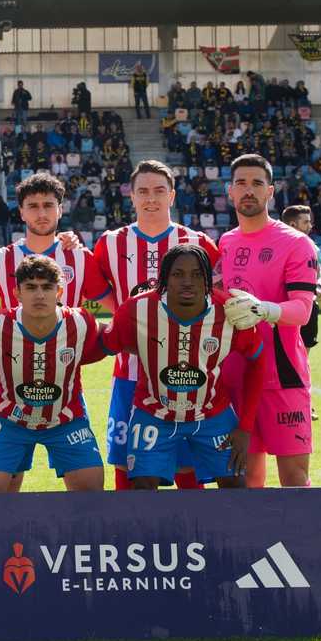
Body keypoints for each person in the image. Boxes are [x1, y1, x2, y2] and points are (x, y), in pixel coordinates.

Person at [93, 159, 219, 490]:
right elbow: (98, 291)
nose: (151, 199)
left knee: (186, 465)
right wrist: (129, 317)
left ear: (172, 196)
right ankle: (127, 535)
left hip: (187, 373)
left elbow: (213, 301)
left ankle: (193, 537)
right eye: (144, 191)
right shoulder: (109, 242)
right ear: (131, 196)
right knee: (125, 461)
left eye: (159, 191)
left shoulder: (197, 242)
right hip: (130, 373)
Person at [104, 245, 266, 488]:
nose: (188, 282)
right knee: (141, 487)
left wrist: (245, 427)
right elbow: (107, 343)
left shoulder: (231, 312)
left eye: (197, 274)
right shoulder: (136, 309)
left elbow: (258, 360)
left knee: (236, 485)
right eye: (178, 274)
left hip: (212, 413)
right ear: (165, 279)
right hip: (153, 413)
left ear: (208, 279)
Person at [0, 255, 105, 493]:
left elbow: (115, 337)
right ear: (17, 293)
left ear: (59, 292)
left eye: (47, 287)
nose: (39, 295)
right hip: (9, 420)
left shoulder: (80, 322)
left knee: (91, 492)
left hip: (65, 420)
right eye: (31, 287)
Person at [219, 153, 320, 488]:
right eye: (241, 183)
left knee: (294, 478)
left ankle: (301, 543)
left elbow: (302, 310)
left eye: (257, 183)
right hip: (237, 376)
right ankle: (250, 544)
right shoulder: (226, 243)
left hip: (282, 376)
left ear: (270, 192)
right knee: (246, 479)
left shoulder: (296, 243)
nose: (249, 190)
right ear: (229, 192)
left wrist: (265, 309)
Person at [0, 172, 115, 330]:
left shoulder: (81, 258)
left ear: (59, 210)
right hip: (15, 356)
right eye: (33, 206)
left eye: (48, 205)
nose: (41, 213)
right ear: (21, 212)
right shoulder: (1, 260)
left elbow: (116, 306)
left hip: (66, 356)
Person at [281, 204, 321, 421]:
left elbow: (319, 272)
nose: (310, 225)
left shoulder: (313, 247)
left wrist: (319, 285)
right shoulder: (280, 245)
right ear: (292, 224)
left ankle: (305, 404)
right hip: (286, 310)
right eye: (306, 222)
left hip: (309, 307)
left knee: (303, 358)